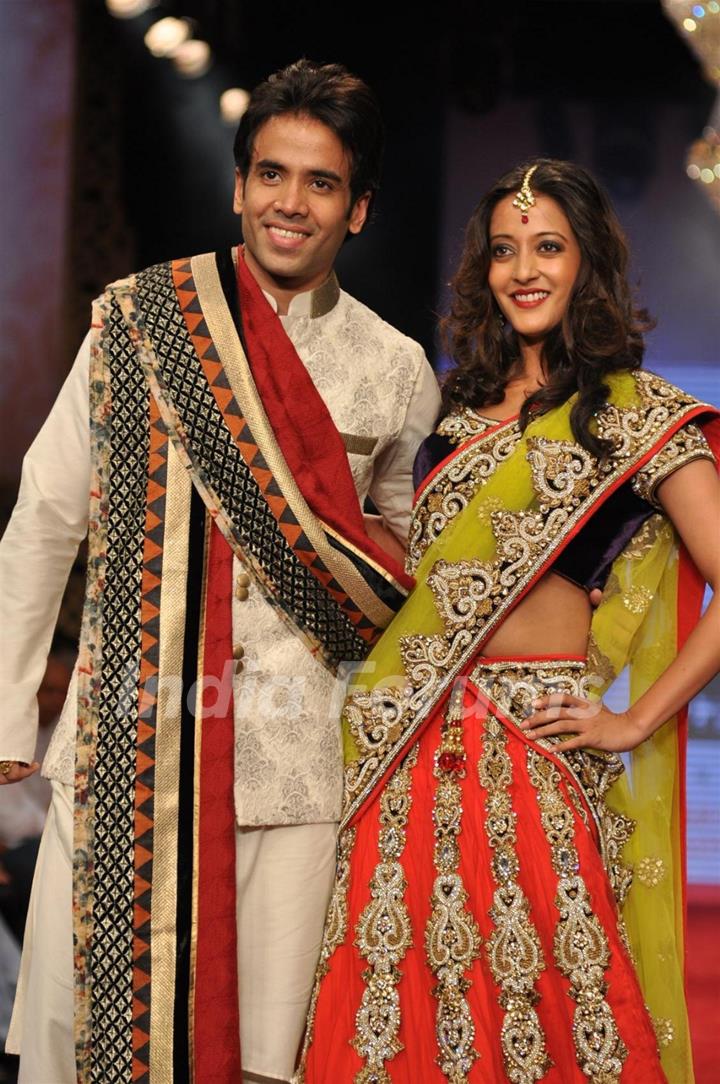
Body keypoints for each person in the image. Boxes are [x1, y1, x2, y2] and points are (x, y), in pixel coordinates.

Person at [0, 59, 440, 1084]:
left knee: (261, 1060)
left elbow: (399, 570)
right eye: (272, 175)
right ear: (239, 185)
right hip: (128, 745)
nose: (291, 203)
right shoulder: (139, 323)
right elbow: (45, 517)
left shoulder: (394, 366)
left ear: (359, 208)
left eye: (320, 182)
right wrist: (9, 714)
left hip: (299, 775)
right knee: (84, 1054)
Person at [295, 159, 720, 1084]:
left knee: (545, 1021)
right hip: (409, 754)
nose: (523, 268)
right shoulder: (446, 417)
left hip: (535, 755)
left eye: (548, 247)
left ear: (588, 263)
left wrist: (634, 719)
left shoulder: (632, 417)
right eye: (503, 250)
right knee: (390, 1020)